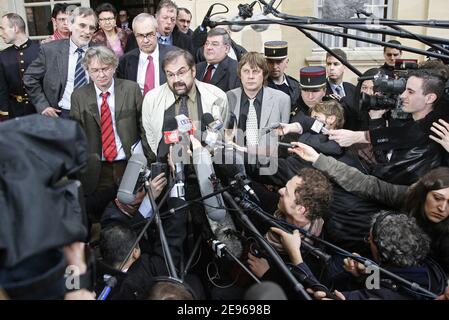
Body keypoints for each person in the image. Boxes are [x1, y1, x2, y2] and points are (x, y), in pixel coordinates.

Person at [288, 141, 449, 273]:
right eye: (437, 198)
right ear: (424, 193)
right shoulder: (408, 197)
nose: (443, 208)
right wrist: (317, 158)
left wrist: (372, 274)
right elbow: (367, 184)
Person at [274, 211, 446, 300]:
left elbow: (319, 295)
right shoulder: (428, 269)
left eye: (369, 239)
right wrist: (364, 276)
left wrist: (295, 254)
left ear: (383, 253)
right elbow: (392, 283)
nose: (367, 242)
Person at [328, 68, 447, 185]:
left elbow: (388, 176)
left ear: (430, 98)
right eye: (404, 89)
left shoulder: (434, 133)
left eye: (410, 92)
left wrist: (358, 136)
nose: (402, 95)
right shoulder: (407, 123)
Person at [70, 46, 142, 222]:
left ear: (114, 66)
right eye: (95, 70)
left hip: (127, 164)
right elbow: (76, 135)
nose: (101, 75)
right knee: (97, 216)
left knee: (133, 213)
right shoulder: (79, 96)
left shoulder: (131, 89)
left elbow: (142, 126)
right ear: (87, 71)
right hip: (97, 168)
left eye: (105, 69)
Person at [141, 48, 228, 162]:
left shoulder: (217, 96)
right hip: (169, 171)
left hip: (210, 168)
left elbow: (222, 136)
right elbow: (151, 137)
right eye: (171, 75)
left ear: (193, 71)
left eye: (181, 73)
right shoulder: (151, 99)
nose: (176, 80)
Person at [24, 7, 97, 118]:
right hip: (61, 114)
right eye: (82, 25)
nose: (87, 31)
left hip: (94, 115)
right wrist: (42, 105)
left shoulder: (101, 52)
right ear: (70, 25)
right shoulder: (50, 50)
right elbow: (30, 78)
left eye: (91, 27)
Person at [226, 52, 290, 150]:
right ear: (240, 74)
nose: (250, 76)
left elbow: (284, 138)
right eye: (246, 71)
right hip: (235, 159)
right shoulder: (228, 97)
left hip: (268, 160)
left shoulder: (282, 99)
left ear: (264, 74)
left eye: (255, 71)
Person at [117, 13, 176, 96]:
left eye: (149, 34)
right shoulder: (124, 61)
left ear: (157, 31)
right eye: (140, 35)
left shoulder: (174, 55)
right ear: (134, 35)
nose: (145, 40)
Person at [0, 13, 40, 119]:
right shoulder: (2, 56)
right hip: (14, 114)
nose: (1, 33)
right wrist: (4, 115)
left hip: (39, 112)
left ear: (15, 28)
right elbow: (2, 90)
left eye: (2, 29)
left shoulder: (41, 51)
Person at [195, 28, 240, 92]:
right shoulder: (197, 68)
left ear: (226, 48)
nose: (208, 47)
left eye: (214, 44)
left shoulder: (236, 70)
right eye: (206, 43)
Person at [325, 49, 357, 129]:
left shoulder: (352, 89)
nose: (331, 68)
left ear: (344, 66)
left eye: (336, 64)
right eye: (329, 64)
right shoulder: (321, 90)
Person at [264, 41, 300, 110]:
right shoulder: (261, 86)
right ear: (266, 63)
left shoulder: (295, 86)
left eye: (278, 62)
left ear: (286, 62)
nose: (274, 66)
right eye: (271, 62)